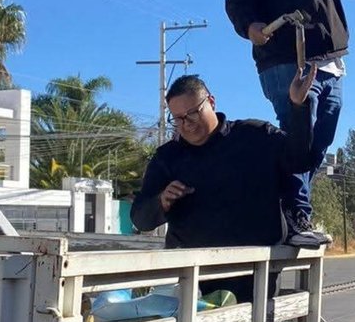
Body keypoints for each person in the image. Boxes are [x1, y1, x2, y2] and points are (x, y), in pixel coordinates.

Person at [224, 0, 349, 246]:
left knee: (319, 144)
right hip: (284, 58)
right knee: (298, 134)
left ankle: (281, 209)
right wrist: (251, 27)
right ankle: (297, 217)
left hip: (331, 57)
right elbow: (237, 1)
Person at [129, 70, 329, 261]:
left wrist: (299, 106)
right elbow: (140, 219)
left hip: (253, 272)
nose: (187, 124)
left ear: (211, 102)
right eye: (178, 119)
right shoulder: (167, 157)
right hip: (190, 275)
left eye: (193, 113)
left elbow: (301, 160)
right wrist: (162, 201)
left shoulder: (256, 136)